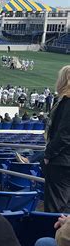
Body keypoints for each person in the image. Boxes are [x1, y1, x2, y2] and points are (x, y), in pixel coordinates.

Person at [44, 65, 70, 213]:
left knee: (55, 209)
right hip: (64, 160)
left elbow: (65, 135)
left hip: (62, 163)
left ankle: (55, 236)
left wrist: (48, 155)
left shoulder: (67, 102)